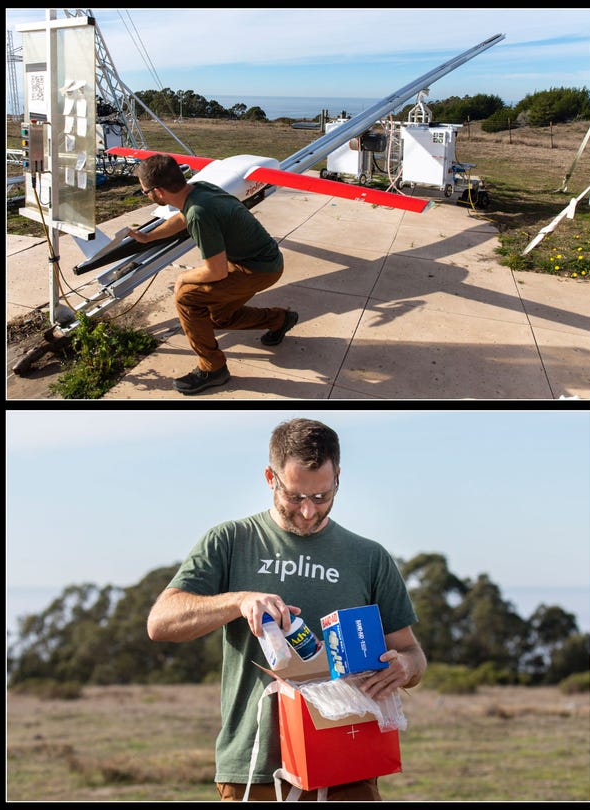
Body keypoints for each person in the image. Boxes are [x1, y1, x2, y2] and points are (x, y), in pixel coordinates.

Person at [146, 418, 425, 801]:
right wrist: (238, 600)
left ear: (338, 477)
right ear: (269, 477)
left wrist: (405, 667)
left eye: (322, 497)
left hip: (349, 764)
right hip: (256, 769)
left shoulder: (369, 557)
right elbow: (161, 622)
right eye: (295, 497)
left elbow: (412, 655)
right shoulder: (230, 541)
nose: (308, 511)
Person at [129, 154, 299, 395]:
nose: (146, 195)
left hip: (258, 269)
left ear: (158, 192)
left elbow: (215, 271)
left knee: (187, 297)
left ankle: (213, 368)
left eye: (145, 191)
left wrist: (182, 278)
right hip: (258, 261)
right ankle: (279, 320)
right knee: (220, 317)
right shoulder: (198, 190)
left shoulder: (200, 213)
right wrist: (148, 236)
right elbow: (182, 217)